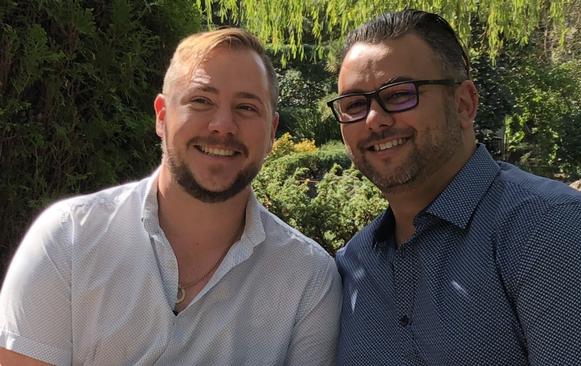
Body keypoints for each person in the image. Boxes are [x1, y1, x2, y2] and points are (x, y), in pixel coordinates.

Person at [0, 27, 341, 365]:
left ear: (271, 132)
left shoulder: (308, 280)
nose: (223, 125)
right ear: (162, 116)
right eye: (201, 101)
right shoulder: (69, 238)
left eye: (247, 108)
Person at [328, 9, 581, 365]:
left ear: (464, 103)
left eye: (401, 94)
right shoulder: (354, 264)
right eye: (355, 104)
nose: (375, 119)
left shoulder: (553, 232)